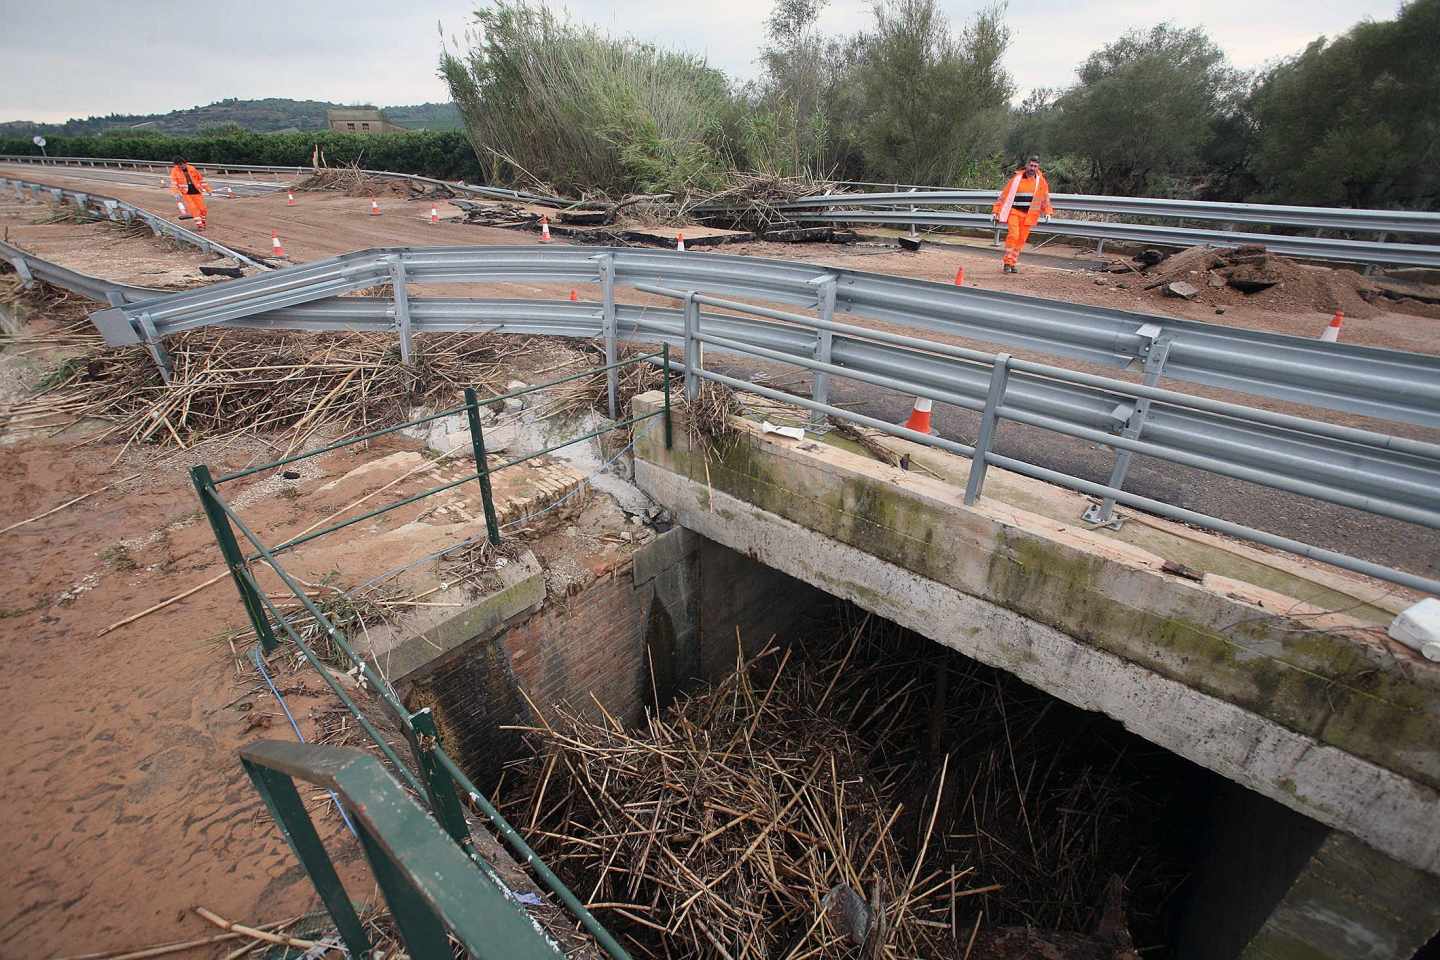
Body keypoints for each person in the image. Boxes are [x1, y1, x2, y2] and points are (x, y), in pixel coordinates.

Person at [991, 156, 1054, 273]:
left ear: (1038, 167)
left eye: (1035, 166)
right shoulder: (1016, 179)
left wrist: (1047, 212)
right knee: (1013, 236)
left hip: (1029, 216)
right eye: (1031, 165)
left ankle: (1012, 263)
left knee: (1020, 240)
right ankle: (1007, 262)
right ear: (1026, 166)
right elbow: (1003, 196)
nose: (1032, 168)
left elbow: (1045, 198)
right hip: (1014, 213)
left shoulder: (1041, 182)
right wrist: (996, 211)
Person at [169, 157, 212, 230]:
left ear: (185, 163)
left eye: (182, 165)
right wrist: (176, 193)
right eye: (179, 166)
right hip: (186, 194)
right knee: (194, 209)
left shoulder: (192, 168)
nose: (182, 167)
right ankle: (200, 225)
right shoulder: (175, 171)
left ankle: (203, 222)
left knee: (203, 209)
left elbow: (201, 180)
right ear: (176, 165)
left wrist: (208, 189)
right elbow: (174, 184)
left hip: (197, 192)